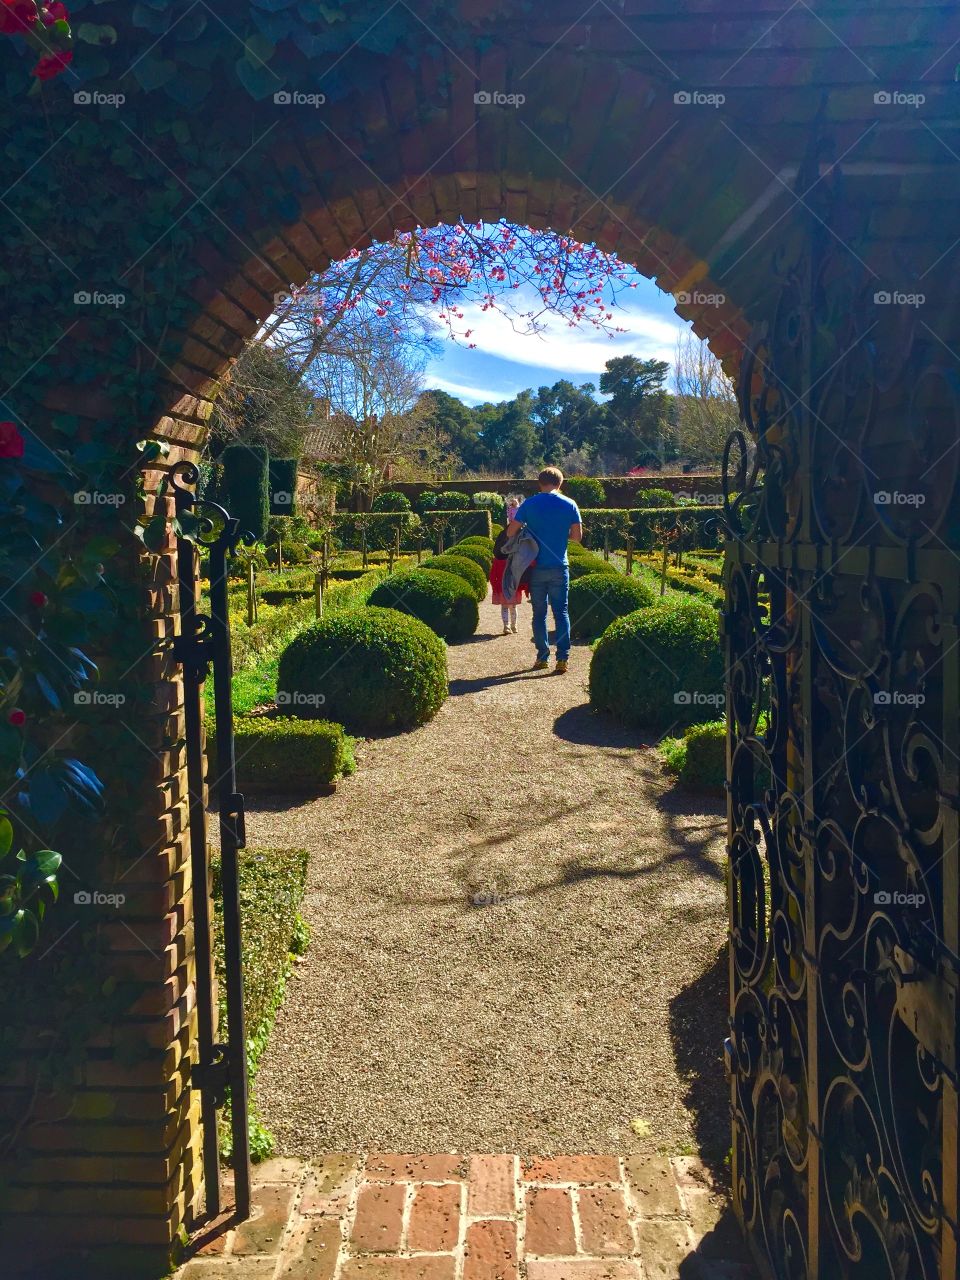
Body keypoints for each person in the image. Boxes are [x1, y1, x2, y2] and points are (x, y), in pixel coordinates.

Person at [506, 468, 583, 674]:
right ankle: (562, 659)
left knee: (538, 614)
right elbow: (576, 537)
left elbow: (510, 531)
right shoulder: (570, 504)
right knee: (561, 612)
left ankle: (542, 657)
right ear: (560, 482)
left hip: (536, 567)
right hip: (560, 566)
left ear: (540, 483)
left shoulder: (529, 504)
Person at [490, 497, 529, 633]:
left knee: (507, 606)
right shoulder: (518, 535)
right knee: (510, 606)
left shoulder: (506, 535)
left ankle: (510, 625)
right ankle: (510, 625)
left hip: (507, 580)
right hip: (511, 581)